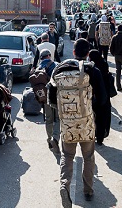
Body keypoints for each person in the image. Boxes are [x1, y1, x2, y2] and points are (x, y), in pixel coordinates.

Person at [49, 38, 107, 206]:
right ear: (88, 53)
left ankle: (64, 186)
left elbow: (51, 100)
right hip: (87, 124)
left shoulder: (58, 71)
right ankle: (88, 191)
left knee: (67, 156)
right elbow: (103, 99)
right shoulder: (92, 71)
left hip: (67, 125)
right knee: (88, 156)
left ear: (73, 52)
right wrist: (89, 106)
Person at [37, 49, 59, 155]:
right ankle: (55, 138)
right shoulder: (55, 65)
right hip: (56, 96)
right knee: (58, 119)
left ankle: (49, 139)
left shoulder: (38, 68)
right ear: (49, 56)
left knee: (49, 119)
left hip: (45, 97)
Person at [88, 49, 111, 145]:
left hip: (93, 96)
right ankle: (100, 137)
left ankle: (92, 135)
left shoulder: (91, 68)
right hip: (104, 95)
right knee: (102, 117)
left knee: (92, 117)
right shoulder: (104, 64)